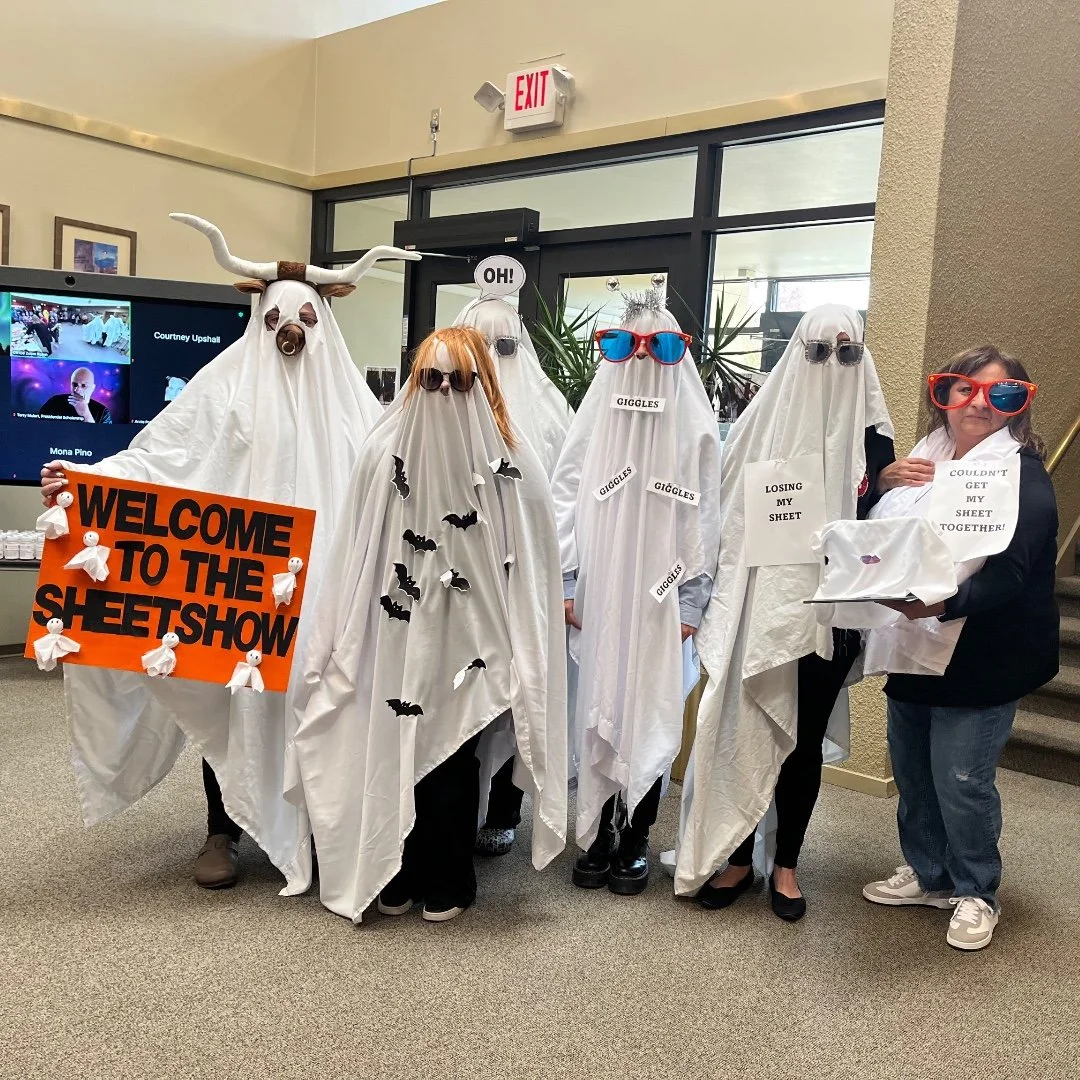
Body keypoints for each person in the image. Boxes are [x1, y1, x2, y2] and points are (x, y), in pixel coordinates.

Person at [39, 213, 418, 893]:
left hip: (325, 586)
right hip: (240, 586)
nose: (290, 332)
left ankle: (316, 825)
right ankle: (225, 827)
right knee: (231, 692)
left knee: (319, 698)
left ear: (324, 322)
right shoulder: (225, 387)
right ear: (260, 322)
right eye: (276, 321)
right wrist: (84, 485)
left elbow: (396, 484)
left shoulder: (356, 409)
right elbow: (161, 458)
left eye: (304, 318)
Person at [293, 326, 567, 923]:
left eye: (459, 381)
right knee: (391, 738)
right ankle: (397, 865)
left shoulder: (512, 459)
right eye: (431, 379)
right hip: (393, 627)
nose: (444, 392)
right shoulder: (380, 451)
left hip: (472, 637)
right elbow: (355, 550)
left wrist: (521, 642)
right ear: (415, 382)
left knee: (453, 751)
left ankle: (450, 872)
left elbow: (534, 556)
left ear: (481, 385)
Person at [675, 304, 894, 920]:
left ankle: (788, 864)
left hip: (830, 619)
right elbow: (725, 517)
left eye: (848, 353)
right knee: (746, 728)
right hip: (760, 614)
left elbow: (883, 528)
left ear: (862, 360)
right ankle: (739, 857)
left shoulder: (876, 440)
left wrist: (885, 487)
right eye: (820, 351)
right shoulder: (759, 426)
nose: (834, 364)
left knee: (799, 746)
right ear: (798, 353)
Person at [861, 346, 1057, 951]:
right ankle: (927, 873)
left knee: (961, 779)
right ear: (941, 394)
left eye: (998, 394)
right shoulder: (922, 460)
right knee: (914, 771)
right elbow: (873, 533)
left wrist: (941, 604)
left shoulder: (1021, 473)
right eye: (963, 389)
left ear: (1016, 407)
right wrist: (879, 485)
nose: (978, 404)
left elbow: (1013, 572)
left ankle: (977, 890)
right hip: (911, 638)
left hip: (981, 650)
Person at [551, 285, 722, 896]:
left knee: (649, 710)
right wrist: (569, 583)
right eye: (629, 346)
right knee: (598, 707)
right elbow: (566, 498)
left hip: (662, 601)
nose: (644, 358)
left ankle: (636, 838)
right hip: (601, 594)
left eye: (662, 347)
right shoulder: (595, 421)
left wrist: (692, 603)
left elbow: (705, 517)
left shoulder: (694, 428)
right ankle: (596, 831)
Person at [453, 294, 574, 856]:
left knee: (516, 695)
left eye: (506, 347)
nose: (495, 363)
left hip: (522, 586)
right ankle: (452, 812)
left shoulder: (550, 416)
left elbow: (569, 503)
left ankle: (504, 807)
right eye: (483, 349)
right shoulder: (440, 406)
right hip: (456, 583)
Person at [39, 367, 111, 423]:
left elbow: (102, 439)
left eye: (84, 385)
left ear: (92, 388)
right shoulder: (54, 402)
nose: (77, 390)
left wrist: (85, 414)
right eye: (75, 384)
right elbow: (38, 426)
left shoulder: (103, 412)